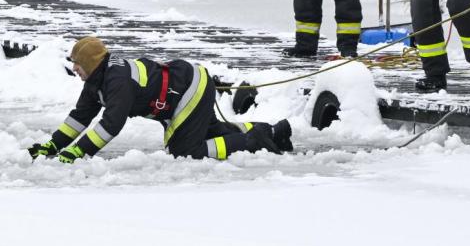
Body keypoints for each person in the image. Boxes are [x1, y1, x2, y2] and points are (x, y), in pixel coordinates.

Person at [27, 37, 293, 163]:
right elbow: (80, 117)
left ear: (91, 64)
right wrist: (53, 145)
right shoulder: (97, 80)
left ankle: (251, 141)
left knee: (185, 151)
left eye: (77, 64)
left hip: (189, 88)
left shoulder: (116, 82)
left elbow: (111, 124)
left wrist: (79, 151)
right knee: (211, 132)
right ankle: (270, 132)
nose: (74, 69)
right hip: (188, 84)